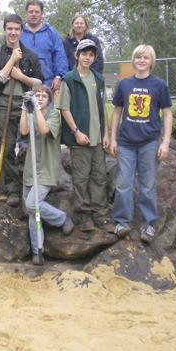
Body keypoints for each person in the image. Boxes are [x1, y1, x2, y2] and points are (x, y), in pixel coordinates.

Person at [109, 44, 173, 243]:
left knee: (147, 185)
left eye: (146, 58)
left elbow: (167, 113)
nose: (142, 61)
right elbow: (117, 111)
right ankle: (121, 222)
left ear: (151, 62)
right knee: (123, 184)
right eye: (138, 57)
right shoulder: (124, 84)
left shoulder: (159, 85)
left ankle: (149, 225)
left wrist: (166, 142)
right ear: (134, 60)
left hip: (150, 142)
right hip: (127, 142)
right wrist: (113, 138)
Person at [0, 14, 43, 208]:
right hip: (3, 105)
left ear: (21, 31)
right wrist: (11, 61)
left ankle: (35, 184)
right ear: (4, 30)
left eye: (16, 29)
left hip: (26, 105)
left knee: (34, 145)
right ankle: (13, 189)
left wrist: (21, 77)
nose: (12, 32)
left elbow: (39, 84)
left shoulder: (31, 56)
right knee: (7, 146)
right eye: (9, 29)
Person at [57, 39, 112, 232]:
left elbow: (102, 106)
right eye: (84, 54)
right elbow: (64, 108)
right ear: (77, 55)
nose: (87, 57)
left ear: (94, 57)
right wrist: (76, 132)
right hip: (80, 139)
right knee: (81, 178)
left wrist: (106, 133)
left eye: (91, 54)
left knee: (99, 176)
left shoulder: (98, 78)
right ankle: (84, 215)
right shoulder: (69, 79)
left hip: (97, 138)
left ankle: (101, 214)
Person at [19, 85, 74, 266]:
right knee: (31, 212)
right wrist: (24, 108)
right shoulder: (30, 112)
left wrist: (35, 108)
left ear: (49, 100)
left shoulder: (54, 115)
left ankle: (62, 218)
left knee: (33, 203)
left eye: (44, 96)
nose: (40, 97)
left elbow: (44, 130)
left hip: (47, 167)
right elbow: (24, 132)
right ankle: (38, 251)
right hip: (31, 168)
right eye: (37, 95)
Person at [20, 0, 68, 93]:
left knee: (46, 108)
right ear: (26, 13)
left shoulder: (51, 32)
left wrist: (58, 76)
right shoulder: (19, 32)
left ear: (42, 14)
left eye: (37, 12)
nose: (33, 14)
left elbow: (60, 55)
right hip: (22, 83)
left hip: (46, 84)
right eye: (31, 11)